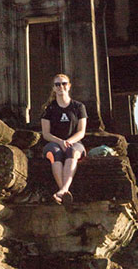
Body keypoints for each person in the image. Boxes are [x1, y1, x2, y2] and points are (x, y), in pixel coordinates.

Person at [40, 74, 87, 205]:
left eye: (64, 83)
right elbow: (46, 134)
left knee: (71, 152)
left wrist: (69, 142)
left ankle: (63, 190)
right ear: (54, 88)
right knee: (56, 153)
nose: (61, 86)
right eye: (57, 84)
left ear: (69, 86)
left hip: (75, 142)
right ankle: (64, 191)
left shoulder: (78, 107)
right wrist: (60, 142)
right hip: (53, 143)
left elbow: (81, 131)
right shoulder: (48, 109)